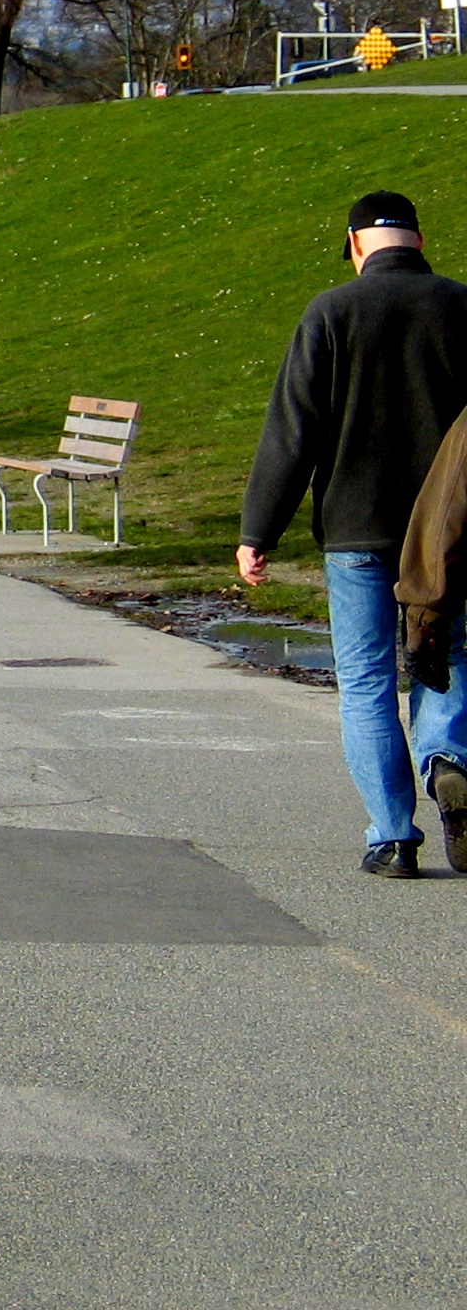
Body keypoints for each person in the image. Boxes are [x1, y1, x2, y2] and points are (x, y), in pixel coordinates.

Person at [240, 191, 467, 878]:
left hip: (355, 529)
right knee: (448, 654)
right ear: (420, 242)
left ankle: (393, 837)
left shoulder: (331, 313)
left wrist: (260, 530)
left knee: (367, 679)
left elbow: (293, 431)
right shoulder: (461, 307)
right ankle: (450, 761)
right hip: (449, 533)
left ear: (356, 246)